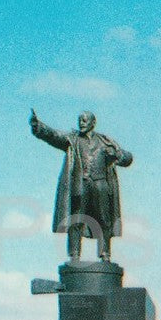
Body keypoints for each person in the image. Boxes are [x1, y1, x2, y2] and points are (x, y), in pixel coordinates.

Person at [30, 109, 133, 262]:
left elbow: (127, 158)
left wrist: (117, 156)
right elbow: (53, 135)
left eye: (85, 120)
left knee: (104, 219)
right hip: (81, 184)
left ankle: (105, 254)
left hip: (101, 184)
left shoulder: (105, 141)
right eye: (79, 120)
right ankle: (75, 254)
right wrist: (38, 126)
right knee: (76, 219)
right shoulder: (72, 139)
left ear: (93, 123)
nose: (81, 123)